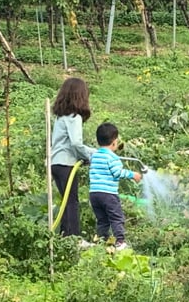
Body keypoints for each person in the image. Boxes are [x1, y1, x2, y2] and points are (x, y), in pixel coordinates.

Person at [51, 77, 95, 238]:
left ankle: (64, 237)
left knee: (66, 202)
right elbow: (76, 143)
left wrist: (93, 152)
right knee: (71, 202)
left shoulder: (61, 117)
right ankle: (74, 238)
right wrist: (87, 156)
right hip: (66, 164)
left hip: (56, 163)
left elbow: (69, 143)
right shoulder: (74, 118)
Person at [89, 122, 142, 250]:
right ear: (114, 142)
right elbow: (117, 173)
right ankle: (120, 241)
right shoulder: (113, 158)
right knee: (116, 217)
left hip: (94, 194)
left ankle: (102, 240)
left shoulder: (94, 155)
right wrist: (132, 174)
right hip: (108, 194)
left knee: (102, 219)